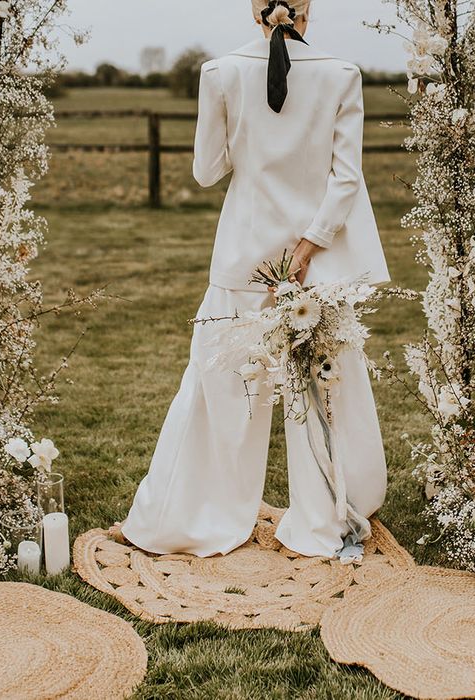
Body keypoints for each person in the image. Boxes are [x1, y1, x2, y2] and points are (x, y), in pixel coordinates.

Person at [122, 0, 390, 559]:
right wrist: (308, 245)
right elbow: (346, 181)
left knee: (223, 395)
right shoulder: (342, 74)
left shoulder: (219, 73)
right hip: (320, 269)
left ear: (254, 7)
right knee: (323, 395)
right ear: (307, 7)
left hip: (242, 259)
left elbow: (206, 170)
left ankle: (199, 516)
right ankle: (324, 517)